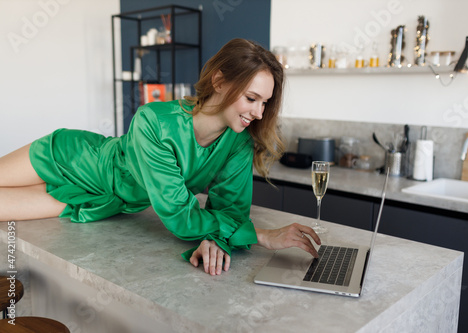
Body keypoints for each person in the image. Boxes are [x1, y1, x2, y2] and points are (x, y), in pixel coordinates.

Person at [0, 38, 320, 276]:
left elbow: (231, 212)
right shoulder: (154, 121)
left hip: (102, 202)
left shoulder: (238, 143)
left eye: (265, 103)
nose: (258, 112)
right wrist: (262, 236)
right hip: (73, 159)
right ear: (219, 81)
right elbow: (180, 216)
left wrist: (216, 241)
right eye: (252, 98)